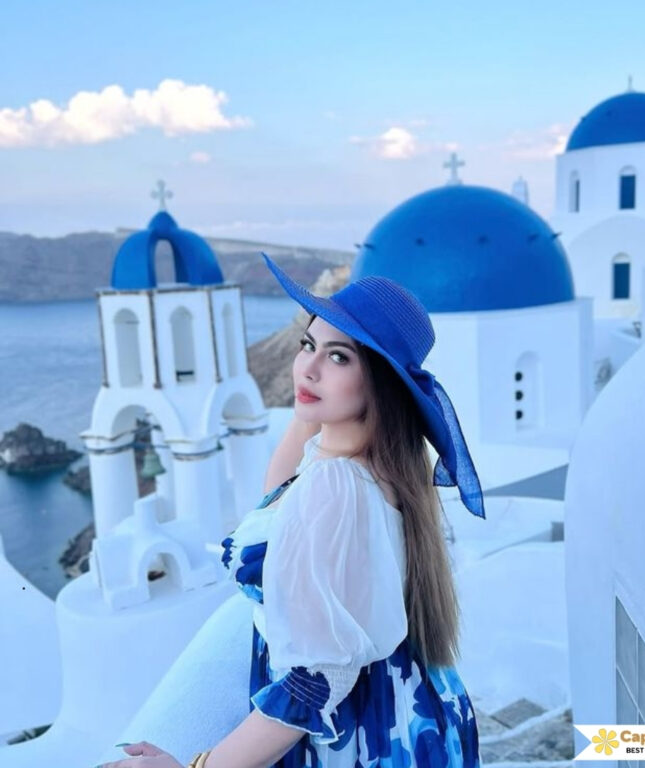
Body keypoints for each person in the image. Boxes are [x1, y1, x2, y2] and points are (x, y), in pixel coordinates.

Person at [99, 253, 485, 768]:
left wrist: (192, 767)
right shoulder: (378, 466)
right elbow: (279, 492)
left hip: (359, 736)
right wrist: (317, 400)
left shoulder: (338, 487)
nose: (308, 366)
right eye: (308, 344)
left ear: (381, 384)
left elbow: (312, 684)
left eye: (340, 357)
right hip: (412, 712)